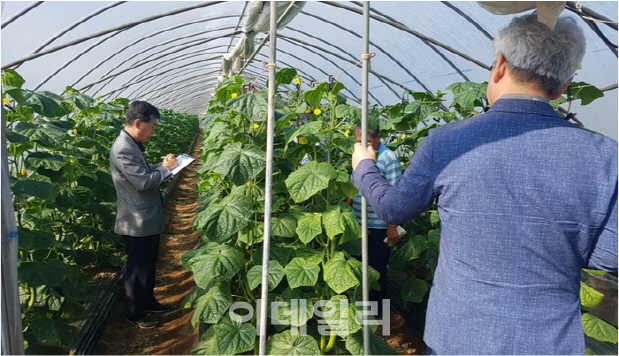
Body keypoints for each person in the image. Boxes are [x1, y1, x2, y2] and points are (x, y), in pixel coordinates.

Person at [351, 13, 617, 355]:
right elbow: (610, 255)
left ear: (500, 66)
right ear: (564, 84)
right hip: (549, 343)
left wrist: (365, 168)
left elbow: (393, 207)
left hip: (458, 337)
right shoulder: (606, 156)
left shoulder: (448, 141)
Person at [110, 101, 178, 329]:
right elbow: (143, 182)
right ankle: (135, 313)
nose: (153, 131)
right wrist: (165, 169)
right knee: (138, 269)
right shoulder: (124, 149)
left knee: (148, 264)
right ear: (138, 123)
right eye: (152, 126)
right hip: (136, 222)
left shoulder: (132, 145)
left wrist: (162, 166)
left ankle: (148, 301)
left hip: (144, 219)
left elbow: (143, 172)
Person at [347, 123, 401, 318]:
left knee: (376, 272)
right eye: (359, 141)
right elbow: (353, 182)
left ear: (379, 137)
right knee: (356, 267)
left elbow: (395, 194)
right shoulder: (360, 154)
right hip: (357, 222)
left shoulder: (388, 158)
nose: (364, 146)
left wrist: (392, 226)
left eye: (368, 142)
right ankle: (360, 310)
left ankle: (379, 316)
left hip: (378, 225)